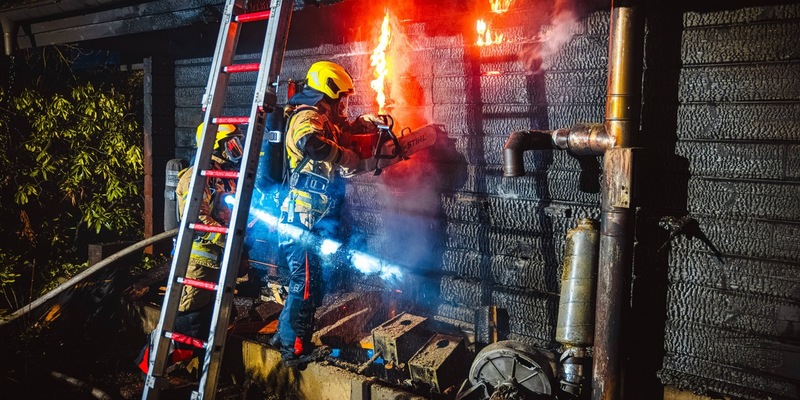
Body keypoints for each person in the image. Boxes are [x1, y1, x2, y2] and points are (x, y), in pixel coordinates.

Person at [274, 60, 379, 367]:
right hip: (299, 221)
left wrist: (363, 125)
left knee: (309, 285)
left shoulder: (322, 119)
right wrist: (344, 156)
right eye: (341, 99)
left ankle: (284, 335)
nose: (343, 105)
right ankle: (294, 351)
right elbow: (312, 143)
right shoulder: (306, 116)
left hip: (309, 222)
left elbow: (339, 133)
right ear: (328, 93)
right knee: (304, 286)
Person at [137, 122, 245, 375]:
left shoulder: (223, 176)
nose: (236, 151)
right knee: (187, 322)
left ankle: (192, 375)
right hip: (196, 265)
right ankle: (149, 370)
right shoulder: (196, 177)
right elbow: (196, 220)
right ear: (215, 145)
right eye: (232, 144)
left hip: (217, 261)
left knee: (209, 321)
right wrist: (229, 240)